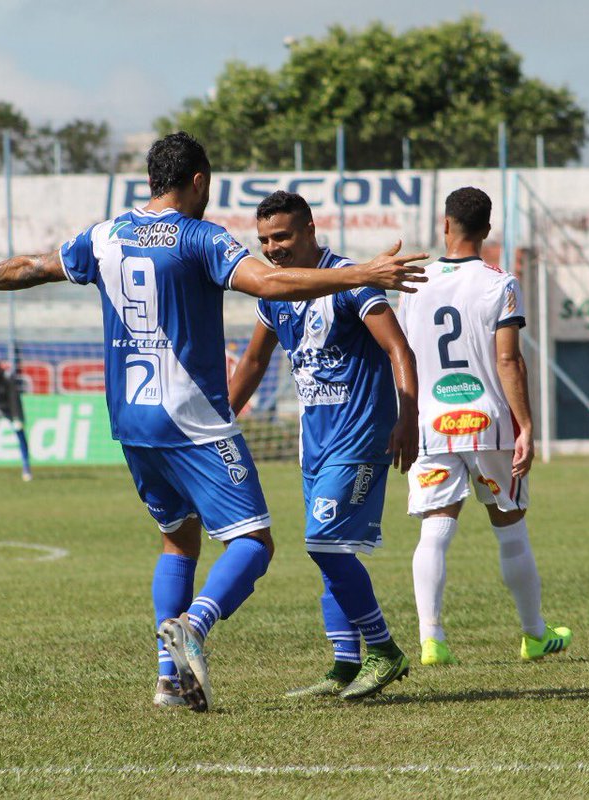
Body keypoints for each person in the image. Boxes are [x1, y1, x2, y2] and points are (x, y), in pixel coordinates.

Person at [0, 132, 427, 712]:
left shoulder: (105, 235)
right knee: (254, 542)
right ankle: (194, 625)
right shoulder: (199, 237)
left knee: (178, 539)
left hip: (130, 422)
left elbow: (33, 266)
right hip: (191, 419)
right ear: (198, 181)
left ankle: (169, 681)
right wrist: (363, 272)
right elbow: (269, 284)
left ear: (150, 180)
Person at [228, 191, 419, 701]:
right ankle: (344, 663)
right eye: (265, 240)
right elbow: (253, 362)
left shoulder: (352, 282)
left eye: (283, 236)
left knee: (323, 543)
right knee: (329, 549)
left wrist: (409, 418)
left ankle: (384, 650)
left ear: (310, 229)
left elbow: (399, 349)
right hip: (315, 444)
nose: (273, 248)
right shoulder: (276, 294)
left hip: (362, 436)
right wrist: (220, 418)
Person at [397, 186, 571, 666]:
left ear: (445, 225)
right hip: (488, 423)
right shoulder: (501, 283)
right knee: (510, 525)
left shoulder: (414, 284)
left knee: (435, 528)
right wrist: (527, 426)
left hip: (431, 423)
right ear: (487, 230)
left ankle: (432, 640)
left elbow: (402, 354)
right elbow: (508, 359)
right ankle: (534, 634)